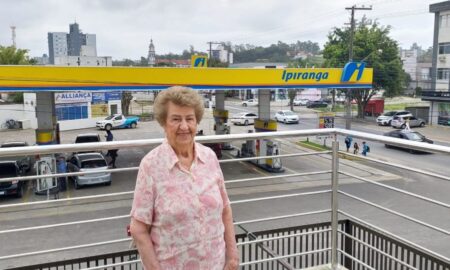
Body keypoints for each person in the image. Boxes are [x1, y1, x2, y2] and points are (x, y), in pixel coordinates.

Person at [129, 86, 239, 270]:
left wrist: (233, 256)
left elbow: (225, 210)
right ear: (164, 123)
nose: (184, 126)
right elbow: (138, 229)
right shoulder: (151, 165)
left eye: (189, 119)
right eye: (176, 119)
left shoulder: (209, 157)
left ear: (197, 122)